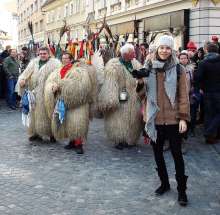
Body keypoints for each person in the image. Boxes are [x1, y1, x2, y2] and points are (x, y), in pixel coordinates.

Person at [132, 35, 190, 206]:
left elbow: (183, 96)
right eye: (161, 47)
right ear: (157, 49)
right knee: (157, 154)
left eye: (167, 48)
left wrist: (183, 118)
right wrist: (140, 81)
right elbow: (141, 95)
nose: (164, 50)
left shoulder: (179, 69)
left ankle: (181, 190)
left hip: (173, 119)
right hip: (154, 119)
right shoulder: (148, 67)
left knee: (177, 155)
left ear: (171, 50)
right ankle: (164, 183)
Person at [44, 53, 97, 154]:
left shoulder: (79, 71)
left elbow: (80, 86)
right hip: (64, 102)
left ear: (71, 59)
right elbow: (50, 82)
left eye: (66, 58)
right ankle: (72, 142)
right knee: (69, 123)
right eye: (63, 58)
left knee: (77, 124)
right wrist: (52, 87)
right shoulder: (58, 71)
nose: (64, 60)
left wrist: (60, 85)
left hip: (78, 104)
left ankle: (79, 145)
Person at [98, 43, 145, 150]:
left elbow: (142, 76)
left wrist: (141, 83)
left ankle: (130, 139)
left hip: (134, 96)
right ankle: (119, 139)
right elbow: (110, 82)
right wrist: (110, 98)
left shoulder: (135, 63)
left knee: (133, 118)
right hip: (121, 95)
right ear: (125, 54)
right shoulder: (114, 64)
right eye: (132, 52)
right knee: (119, 118)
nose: (134, 54)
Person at [17, 47, 61, 142]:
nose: (42, 55)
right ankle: (36, 133)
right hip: (35, 93)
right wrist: (22, 79)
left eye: (44, 53)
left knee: (50, 113)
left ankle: (52, 134)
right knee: (35, 113)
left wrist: (55, 85)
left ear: (48, 54)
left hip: (49, 93)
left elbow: (58, 76)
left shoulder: (55, 64)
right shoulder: (34, 63)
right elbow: (26, 73)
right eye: (40, 53)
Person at [195, 42, 220, 144]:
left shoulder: (203, 63)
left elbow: (198, 78)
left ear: (207, 50)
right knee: (217, 113)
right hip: (218, 92)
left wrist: (200, 88)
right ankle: (211, 134)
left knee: (208, 114)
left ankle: (209, 136)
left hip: (207, 92)